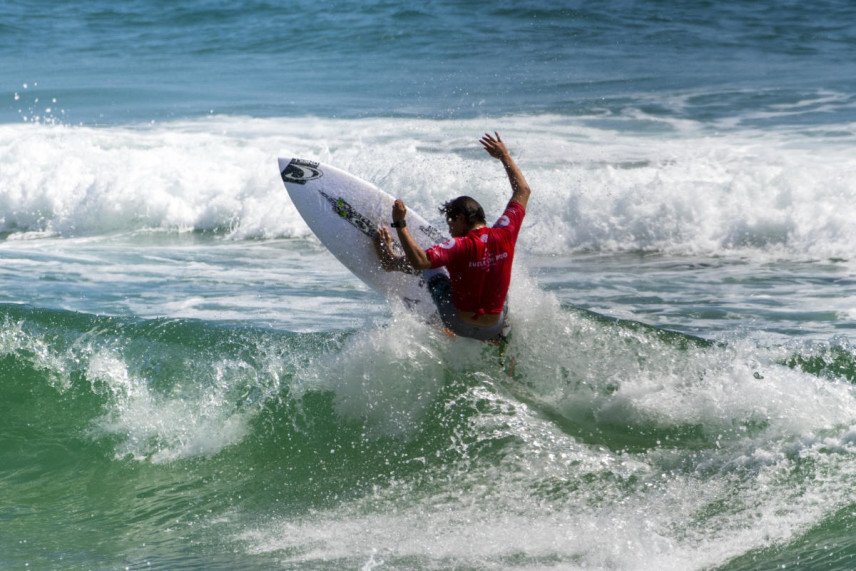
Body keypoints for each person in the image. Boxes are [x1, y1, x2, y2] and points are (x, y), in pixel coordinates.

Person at [374, 132, 531, 342]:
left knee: (432, 268)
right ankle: (500, 337)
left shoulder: (457, 246)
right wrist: (504, 155)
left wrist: (401, 224)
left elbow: (419, 261)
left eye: (450, 223)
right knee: (501, 284)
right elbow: (523, 190)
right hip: (494, 326)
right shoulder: (506, 232)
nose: (449, 230)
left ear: (460, 218)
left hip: (457, 323)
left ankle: (390, 261)